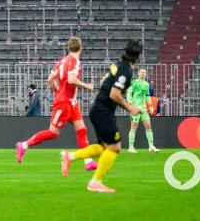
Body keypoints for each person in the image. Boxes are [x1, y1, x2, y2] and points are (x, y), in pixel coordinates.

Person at [61, 40, 144, 193]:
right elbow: (114, 94)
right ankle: (95, 182)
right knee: (115, 147)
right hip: (103, 111)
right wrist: (130, 108)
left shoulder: (118, 64)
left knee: (104, 147)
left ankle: (69, 156)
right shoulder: (126, 70)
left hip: (99, 109)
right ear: (139, 56)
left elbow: (103, 82)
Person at [16, 37, 96, 170]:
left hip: (71, 102)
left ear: (68, 48)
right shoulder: (75, 61)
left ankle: (88, 162)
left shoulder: (62, 61)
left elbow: (50, 79)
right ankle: (23, 145)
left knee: (82, 130)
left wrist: (58, 90)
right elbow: (71, 79)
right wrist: (86, 85)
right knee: (53, 133)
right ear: (80, 48)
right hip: (64, 102)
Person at [126, 68, 159, 153]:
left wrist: (150, 106)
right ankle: (130, 147)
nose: (143, 73)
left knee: (148, 126)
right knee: (134, 126)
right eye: (141, 72)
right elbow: (129, 93)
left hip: (143, 108)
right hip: (135, 107)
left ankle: (151, 147)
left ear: (146, 74)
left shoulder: (146, 84)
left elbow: (147, 95)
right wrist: (129, 102)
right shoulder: (134, 82)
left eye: (144, 72)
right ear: (138, 73)